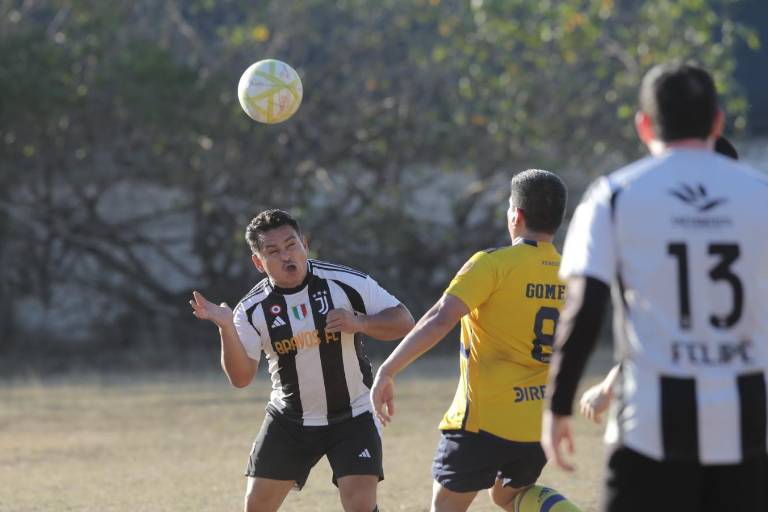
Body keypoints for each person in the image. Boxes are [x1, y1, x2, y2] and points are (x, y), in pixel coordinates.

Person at [542, 62, 768, 512]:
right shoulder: (760, 194)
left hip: (649, 429)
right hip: (753, 428)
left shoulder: (613, 196)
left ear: (643, 124)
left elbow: (585, 311)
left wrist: (558, 405)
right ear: (718, 121)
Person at [371, 170, 580, 511]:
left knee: (446, 507)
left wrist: (388, 369)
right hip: (535, 424)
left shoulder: (492, 264)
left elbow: (440, 318)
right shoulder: (570, 271)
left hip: (482, 422)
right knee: (508, 496)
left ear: (516, 215)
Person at [190, 209, 415, 512]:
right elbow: (241, 378)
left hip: (354, 414)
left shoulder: (345, 282)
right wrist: (226, 328)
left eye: (291, 244)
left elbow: (404, 322)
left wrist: (359, 322)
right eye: (273, 251)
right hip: (290, 419)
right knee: (256, 507)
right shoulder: (251, 309)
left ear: (305, 244)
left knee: (361, 503)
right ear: (258, 262)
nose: (286, 256)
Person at [579, 135, 740, 424]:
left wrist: (606, 388)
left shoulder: (663, 238)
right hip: (745, 406)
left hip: (679, 409)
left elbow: (654, 333)